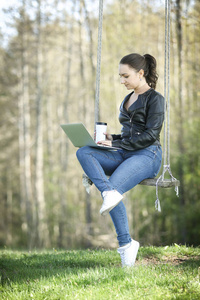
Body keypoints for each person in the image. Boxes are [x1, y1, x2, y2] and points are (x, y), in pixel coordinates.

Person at [76, 53, 165, 267]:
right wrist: (112, 139)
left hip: (148, 155)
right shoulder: (128, 98)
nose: (122, 81)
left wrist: (117, 145)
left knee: (115, 189)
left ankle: (126, 245)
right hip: (124, 152)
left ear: (141, 73)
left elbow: (150, 135)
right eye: (120, 76)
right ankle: (107, 192)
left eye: (125, 76)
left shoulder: (155, 99)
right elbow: (129, 134)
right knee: (84, 152)